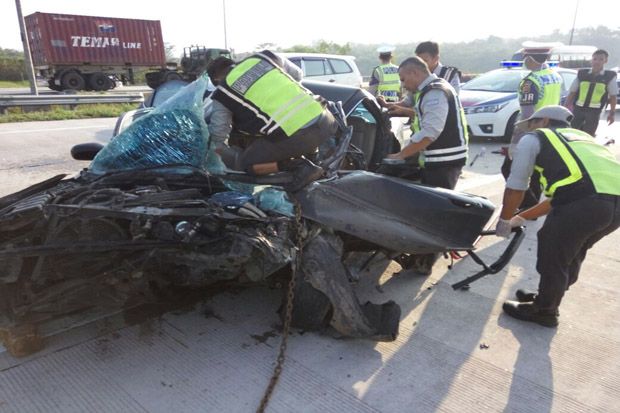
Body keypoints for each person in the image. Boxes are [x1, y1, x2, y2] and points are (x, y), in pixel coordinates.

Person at [496, 105, 620, 327]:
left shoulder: (536, 138)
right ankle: (549, 296)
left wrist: (504, 221)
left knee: (553, 250)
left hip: (587, 201)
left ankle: (545, 310)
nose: (528, 129)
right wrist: (520, 217)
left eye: (531, 123)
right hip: (613, 202)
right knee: (572, 250)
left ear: (543, 121)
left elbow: (516, 187)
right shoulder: (581, 139)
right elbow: (564, 196)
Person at [382, 56, 468, 275]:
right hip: (438, 159)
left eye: (403, 79)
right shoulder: (426, 89)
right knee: (431, 210)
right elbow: (409, 103)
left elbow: (430, 132)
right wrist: (389, 106)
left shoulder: (435, 93)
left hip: (444, 161)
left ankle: (425, 263)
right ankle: (423, 257)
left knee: (434, 215)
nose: (402, 84)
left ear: (414, 74)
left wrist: (401, 155)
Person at [206, 51, 338, 190]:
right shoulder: (265, 57)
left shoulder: (223, 91)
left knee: (245, 162)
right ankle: (313, 160)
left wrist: (214, 154)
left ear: (216, 80)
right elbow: (297, 74)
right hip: (326, 119)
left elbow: (219, 134)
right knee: (294, 132)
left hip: (300, 135)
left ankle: (299, 166)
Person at [501, 49, 563, 211]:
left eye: (525, 58)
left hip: (532, 132)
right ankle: (531, 208)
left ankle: (527, 205)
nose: (524, 61)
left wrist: (515, 141)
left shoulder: (530, 82)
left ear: (532, 59)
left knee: (509, 168)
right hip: (549, 130)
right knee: (536, 172)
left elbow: (527, 115)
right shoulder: (554, 75)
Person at [565, 49, 617, 136]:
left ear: (605, 61)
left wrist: (612, 114)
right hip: (578, 110)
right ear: (591, 60)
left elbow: (613, 97)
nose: (597, 62)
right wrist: (566, 107)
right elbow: (572, 92)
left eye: (601, 59)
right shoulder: (582, 74)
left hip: (594, 113)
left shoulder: (609, 76)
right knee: (570, 134)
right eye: (595, 59)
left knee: (588, 136)